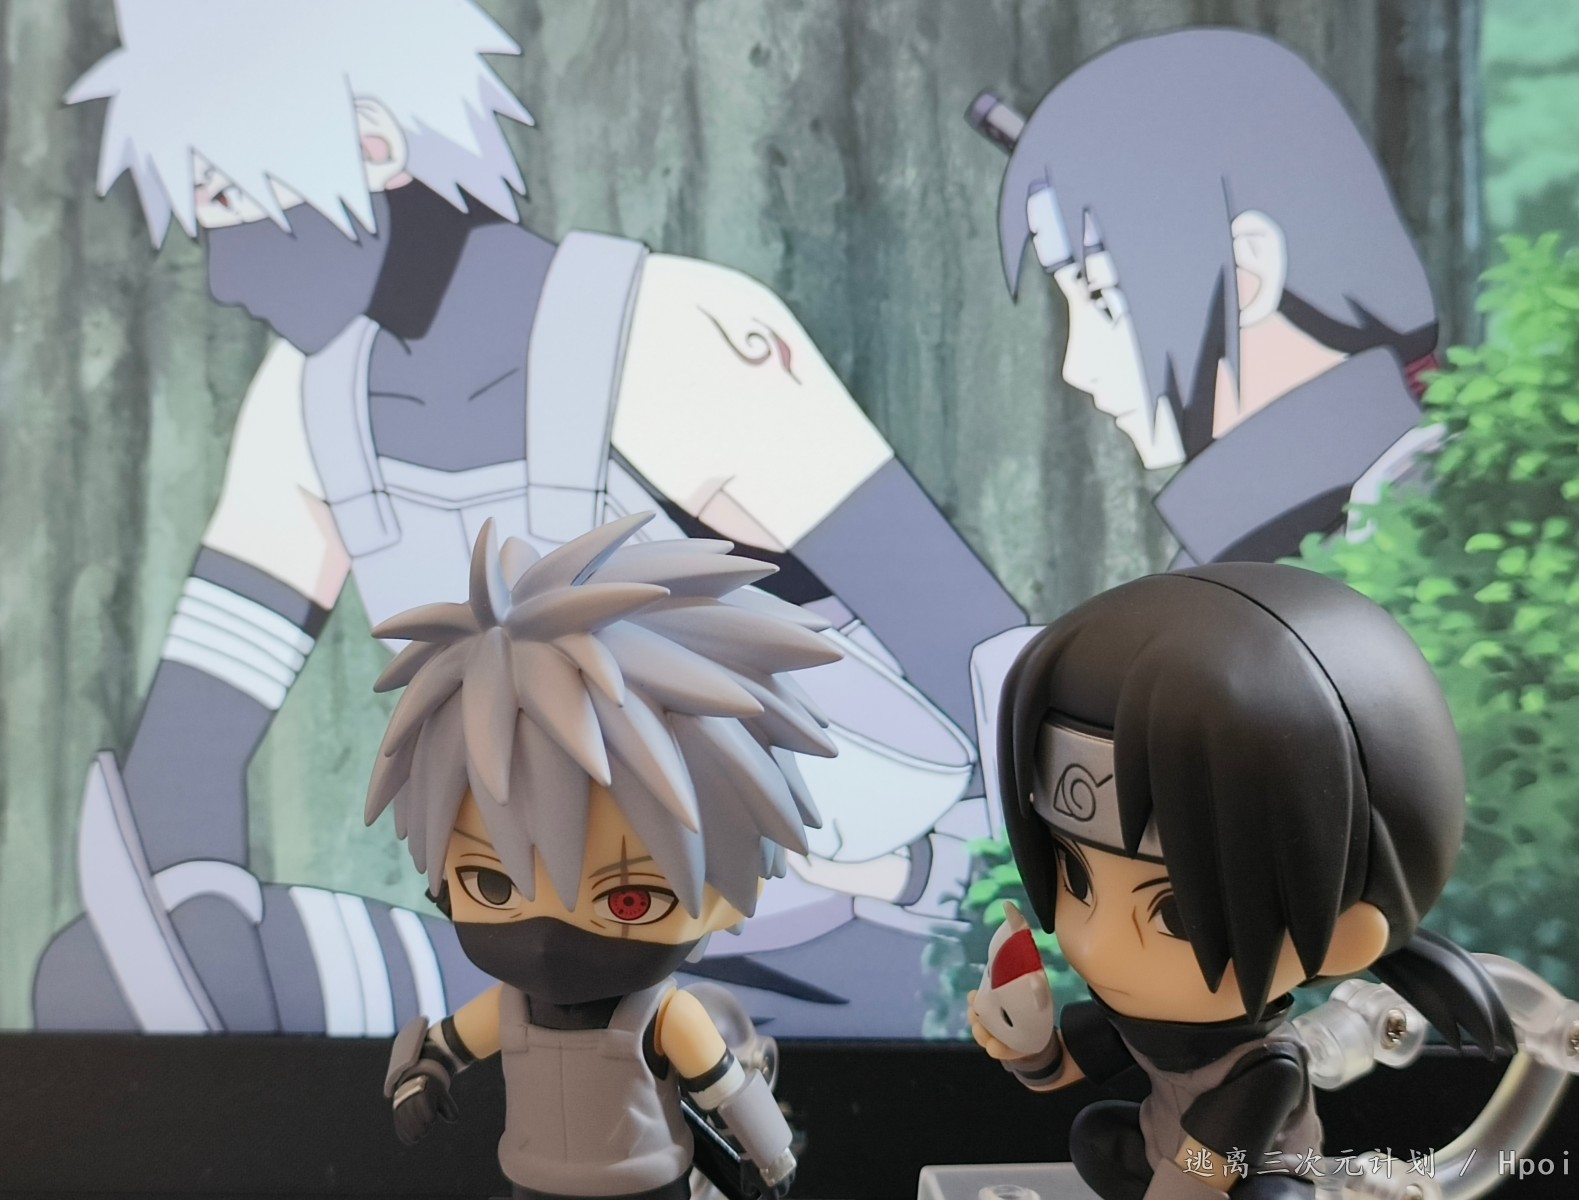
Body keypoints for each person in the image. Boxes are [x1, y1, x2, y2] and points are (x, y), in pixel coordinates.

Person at [35, 0, 1028, 1036]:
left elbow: (989, 661)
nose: (227, 274)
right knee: (96, 983)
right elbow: (189, 754)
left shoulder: (677, 335)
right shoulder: (309, 405)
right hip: (537, 952)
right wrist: (192, 930)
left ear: (374, 146)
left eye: (231, 202)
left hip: (839, 944)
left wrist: (970, 900)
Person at [969, 563, 1515, 1199]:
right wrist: (1027, 1045)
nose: (1096, 941)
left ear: (1343, 936)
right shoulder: (1136, 1019)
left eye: (1175, 913)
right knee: (1096, 1134)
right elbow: (1059, 1070)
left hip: (1249, 1178)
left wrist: (1173, 1185)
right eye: (1077, 877)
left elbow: (1206, 1170)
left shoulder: (1265, 1070)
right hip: (1163, 1159)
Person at [375, 515, 828, 1200]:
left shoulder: (664, 1019)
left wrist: (772, 1157)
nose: (550, 940)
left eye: (629, 899)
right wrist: (420, 1077)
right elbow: (441, 1047)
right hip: (532, 1181)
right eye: (494, 884)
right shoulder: (512, 1008)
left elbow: (729, 1090)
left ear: (727, 889)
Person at [971, 30, 1443, 566]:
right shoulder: (1249, 538)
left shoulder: (1416, 513)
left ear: (1248, 274)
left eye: (1104, 298)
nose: (1077, 368)